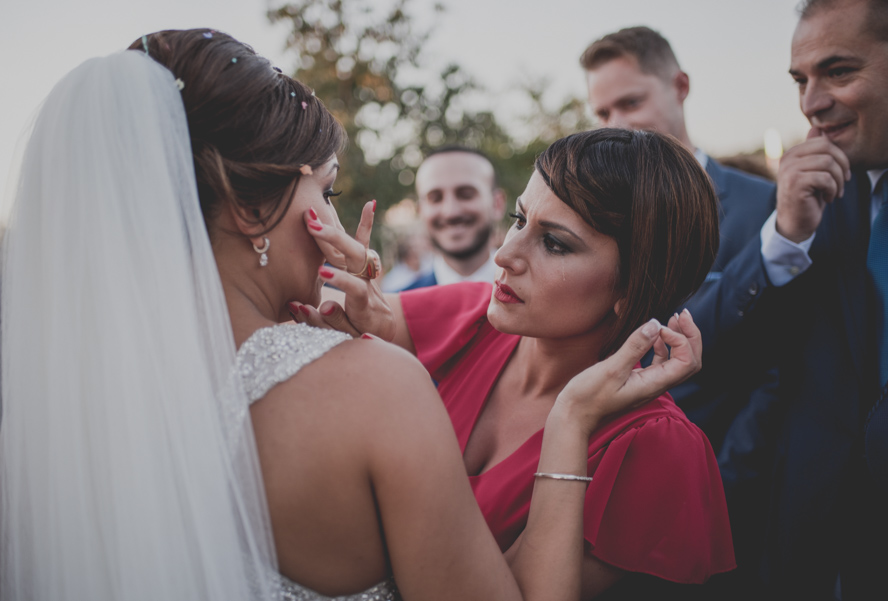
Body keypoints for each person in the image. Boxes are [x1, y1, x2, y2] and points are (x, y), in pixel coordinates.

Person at [0, 30, 707, 601]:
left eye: (552, 240)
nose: (504, 255)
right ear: (251, 209)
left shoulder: (57, 393)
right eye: (328, 190)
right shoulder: (374, 386)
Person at [292, 128, 737, 598]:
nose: (504, 255)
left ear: (631, 290)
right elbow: (308, 310)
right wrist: (346, 286)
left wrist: (571, 419)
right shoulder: (473, 319)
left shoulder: (655, 447)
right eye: (519, 219)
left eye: (555, 244)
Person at [676, 0, 888, 597]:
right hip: (819, 557)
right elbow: (711, 357)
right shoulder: (812, 208)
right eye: (801, 80)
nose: (811, 102)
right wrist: (784, 238)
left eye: (840, 72)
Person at [579, 26, 778, 454]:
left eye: (631, 102)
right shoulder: (591, 218)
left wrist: (732, 473)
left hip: (727, 456)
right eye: (602, 113)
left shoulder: (764, 206)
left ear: (680, 86)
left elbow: (779, 365)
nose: (617, 124)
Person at [401, 146, 507, 290]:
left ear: (497, 204)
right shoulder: (397, 307)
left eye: (466, 194)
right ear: (420, 211)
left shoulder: (537, 299)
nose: (450, 212)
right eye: (435, 198)